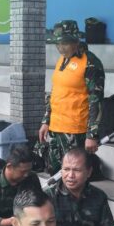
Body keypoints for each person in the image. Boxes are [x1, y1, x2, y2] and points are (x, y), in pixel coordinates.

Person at [38, 20, 105, 173]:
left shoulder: (90, 62)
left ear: (76, 41)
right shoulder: (63, 59)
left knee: (74, 175)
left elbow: (96, 100)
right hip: (56, 128)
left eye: (65, 43)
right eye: (57, 44)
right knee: (55, 173)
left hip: (75, 131)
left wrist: (92, 134)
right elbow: (55, 92)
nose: (60, 48)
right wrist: (46, 121)